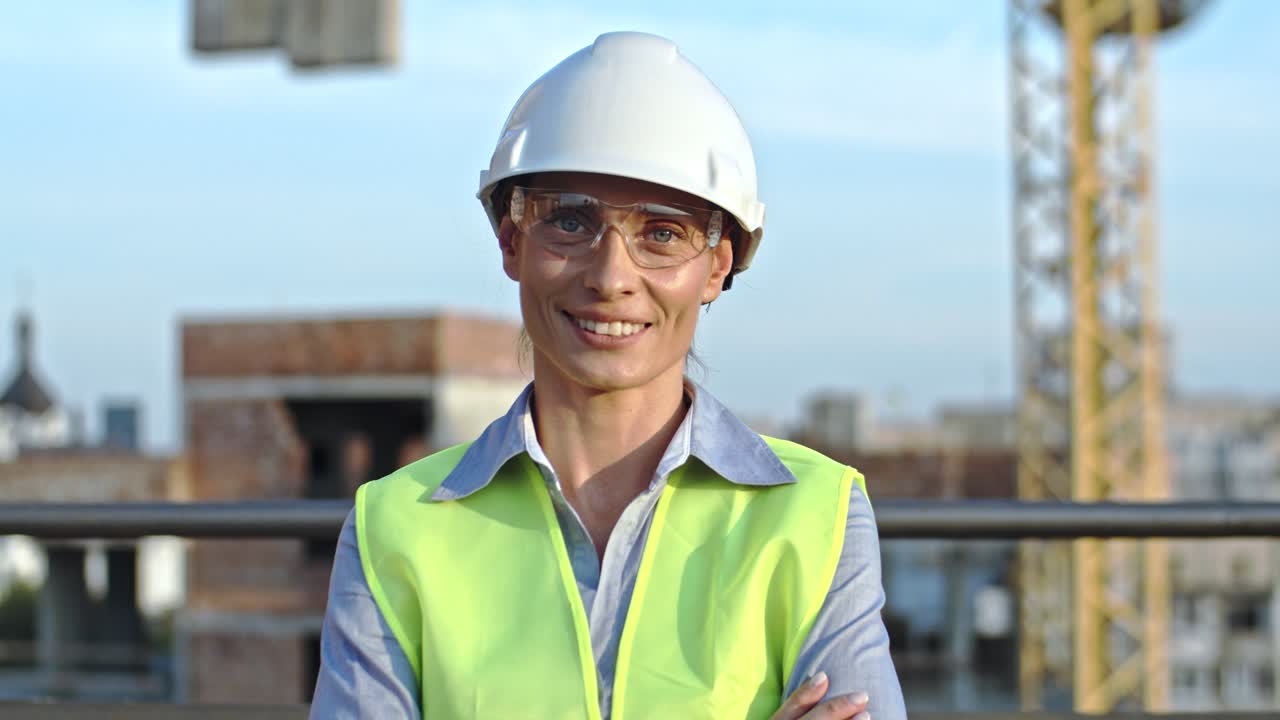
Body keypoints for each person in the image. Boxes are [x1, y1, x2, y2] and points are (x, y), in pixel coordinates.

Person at [310, 31, 906, 720]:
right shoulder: (393, 527)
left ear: (718, 266)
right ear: (512, 242)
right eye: (569, 221)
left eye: (663, 232)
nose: (612, 276)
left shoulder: (819, 517)